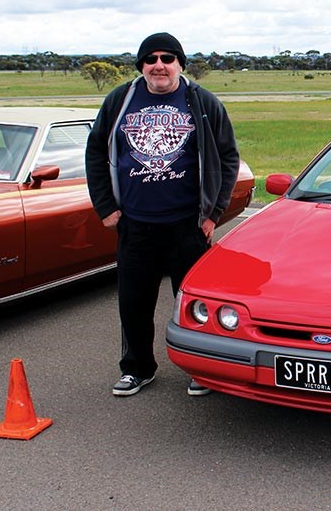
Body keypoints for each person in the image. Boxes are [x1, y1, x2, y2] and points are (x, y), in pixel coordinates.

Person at [85, 32, 240, 397]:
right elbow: (95, 153)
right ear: (141, 65)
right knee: (134, 303)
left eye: (168, 58)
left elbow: (228, 157)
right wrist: (106, 208)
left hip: (187, 224)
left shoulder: (201, 101)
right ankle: (137, 368)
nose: (159, 65)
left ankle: (200, 369)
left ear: (179, 64)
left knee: (194, 305)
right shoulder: (120, 101)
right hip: (135, 225)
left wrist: (212, 213)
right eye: (151, 58)